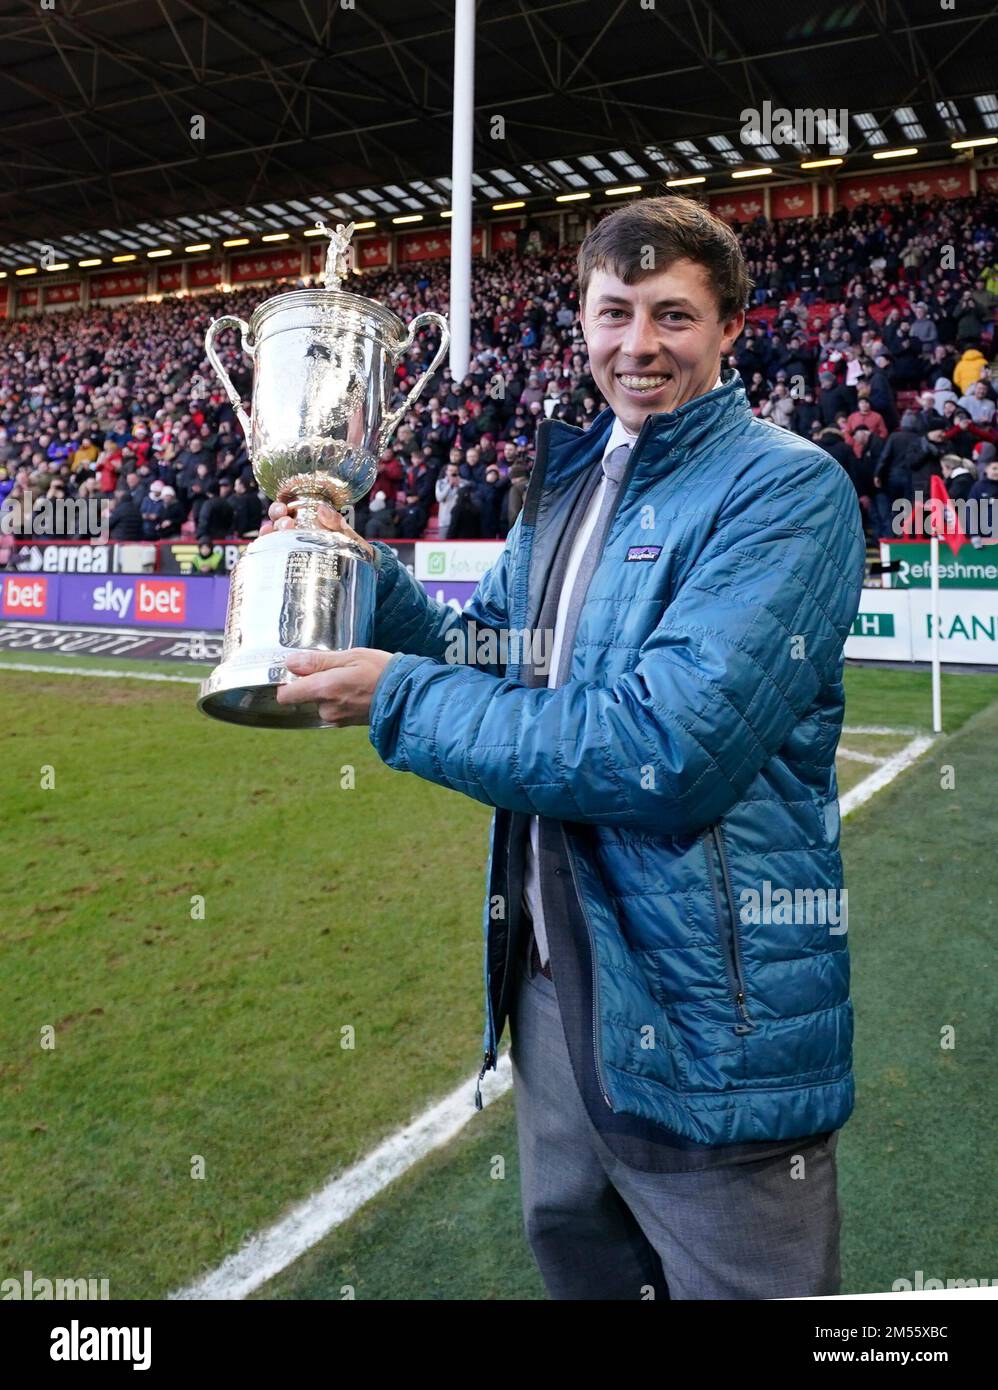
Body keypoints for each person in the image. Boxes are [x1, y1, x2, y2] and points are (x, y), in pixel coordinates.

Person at [264, 196, 865, 1300]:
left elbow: (665, 749)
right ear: (580, 319)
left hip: (704, 1008)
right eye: (614, 311)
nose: (637, 344)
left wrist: (400, 700)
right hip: (552, 987)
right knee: (583, 1269)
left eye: (672, 316)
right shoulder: (571, 481)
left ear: (730, 326)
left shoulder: (785, 488)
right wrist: (363, 573)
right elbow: (486, 654)